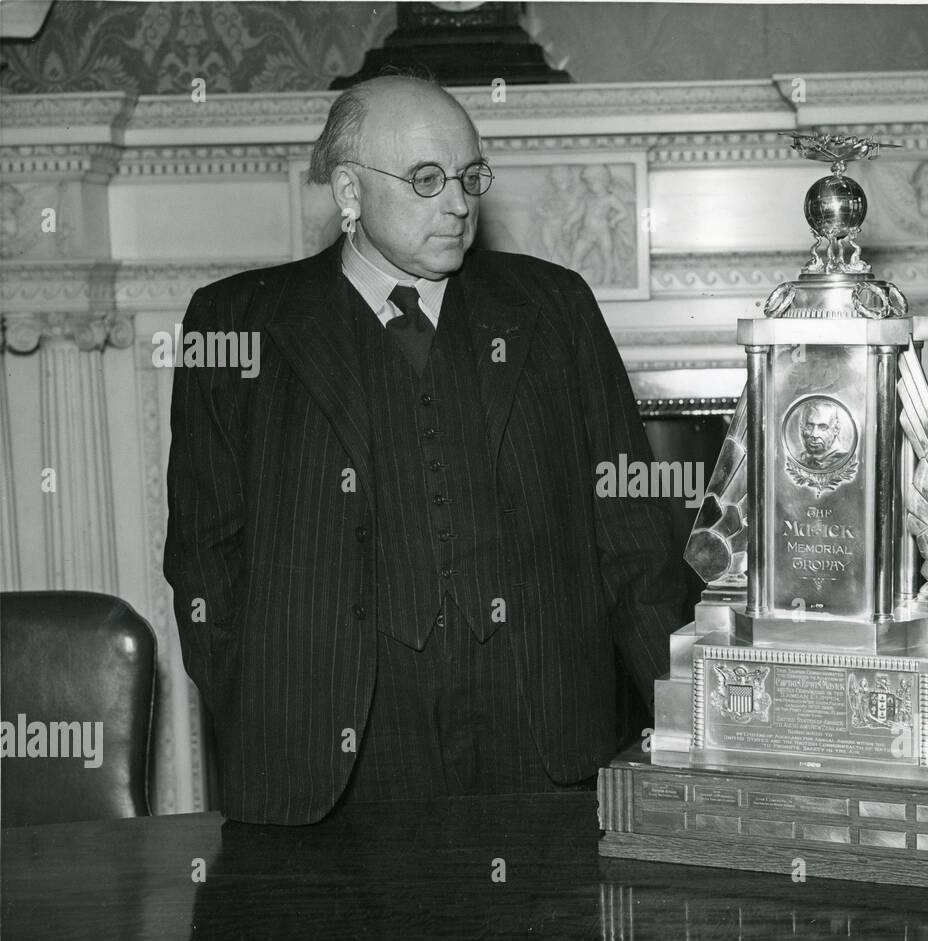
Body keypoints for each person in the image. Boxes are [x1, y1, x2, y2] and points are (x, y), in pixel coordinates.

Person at [164, 75, 684, 825]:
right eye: (426, 179)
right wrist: (269, 711)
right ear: (349, 190)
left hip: (541, 745)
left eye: (470, 176)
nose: (459, 203)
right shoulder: (235, 323)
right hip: (330, 766)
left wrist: (689, 722)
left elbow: (634, 540)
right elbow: (205, 555)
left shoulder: (553, 307)